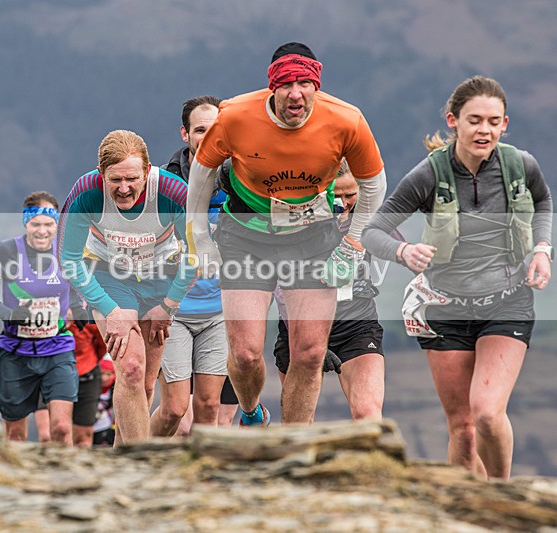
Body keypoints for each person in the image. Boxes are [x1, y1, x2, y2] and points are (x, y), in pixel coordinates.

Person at [186, 42, 386, 426]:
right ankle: (250, 412)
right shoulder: (235, 115)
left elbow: (374, 186)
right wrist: (201, 238)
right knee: (245, 354)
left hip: (311, 237)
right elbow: (202, 172)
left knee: (309, 354)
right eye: (286, 84)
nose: (296, 93)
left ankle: (293, 441)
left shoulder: (347, 120)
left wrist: (353, 245)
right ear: (272, 88)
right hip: (246, 235)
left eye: (305, 83)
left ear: (317, 85)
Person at [363, 76, 552, 480]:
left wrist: (541, 250)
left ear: (505, 124)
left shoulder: (521, 165)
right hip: (444, 308)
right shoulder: (428, 174)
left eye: (493, 121)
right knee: (463, 429)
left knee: (485, 412)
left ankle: (500, 498)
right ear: (453, 121)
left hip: (507, 302)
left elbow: (543, 201)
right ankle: (464, 510)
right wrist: (404, 251)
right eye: (474, 120)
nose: (484, 129)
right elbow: (373, 231)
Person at [57, 130, 195, 444]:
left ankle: (123, 461)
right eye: (115, 180)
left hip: (160, 278)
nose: (124, 188)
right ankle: (138, 464)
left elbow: (197, 253)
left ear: (147, 171)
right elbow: (67, 257)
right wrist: (108, 309)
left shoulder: (173, 192)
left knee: (145, 385)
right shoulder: (86, 191)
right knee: (130, 368)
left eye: (132, 178)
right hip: (109, 276)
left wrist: (169, 305)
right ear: (100, 174)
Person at [274, 160, 390, 421]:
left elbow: (395, 245)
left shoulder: (368, 214)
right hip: (300, 328)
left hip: (356, 325)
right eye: (336, 196)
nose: (345, 202)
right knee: (299, 425)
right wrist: (306, 338)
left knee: (368, 415)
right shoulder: (296, 220)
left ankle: (370, 463)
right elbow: (281, 287)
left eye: (351, 194)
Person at [151, 95, 234, 437]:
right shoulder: (163, 186)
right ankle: (137, 460)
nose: (208, 135)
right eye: (200, 129)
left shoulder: (241, 179)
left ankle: (202, 481)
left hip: (221, 310)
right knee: (173, 410)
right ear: (185, 135)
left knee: (209, 408)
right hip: (174, 310)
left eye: (215, 128)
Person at [0, 191, 77, 444]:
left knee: (61, 427)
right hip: (16, 353)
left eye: (49, 224)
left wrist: (76, 308)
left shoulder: (67, 250)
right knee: (16, 435)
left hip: (57, 349)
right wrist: (8, 314)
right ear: (25, 224)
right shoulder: (8, 251)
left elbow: (79, 287)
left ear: (57, 225)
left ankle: (64, 480)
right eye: (36, 224)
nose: (42, 231)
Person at [69, 316, 108, 447]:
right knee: (56, 430)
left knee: (84, 435)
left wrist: (89, 361)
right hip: (52, 372)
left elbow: (103, 342)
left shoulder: (87, 313)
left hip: (87, 374)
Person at [93, 355, 116, 446]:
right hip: (84, 426)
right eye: (101, 373)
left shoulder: (115, 388)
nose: (104, 378)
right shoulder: (88, 386)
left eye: (108, 374)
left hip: (103, 426)